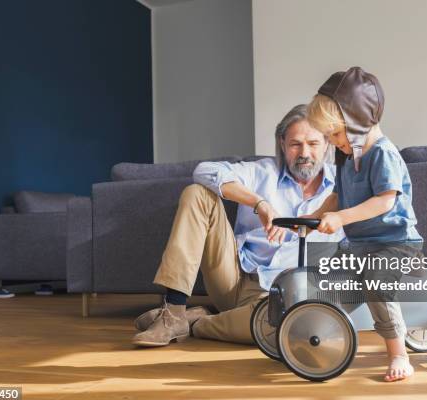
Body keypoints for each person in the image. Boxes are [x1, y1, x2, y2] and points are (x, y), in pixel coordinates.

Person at [132, 104, 344, 347]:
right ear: (282, 144)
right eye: (295, 144)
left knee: (286, 326)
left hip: (284, 296)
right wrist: (259, 203)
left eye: (313, 144)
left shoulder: (343, 187)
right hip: (235, 279)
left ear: (327, 144)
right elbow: (205, 171)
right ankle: (174, 310)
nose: (304, 152)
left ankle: (196, 322)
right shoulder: (261, 171)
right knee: (197, 194)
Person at [306, 67, 424, 382]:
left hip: (395, 243)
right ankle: (321, 332)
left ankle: (399, 353)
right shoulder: (347, 157)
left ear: (358, 121)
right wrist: (314, 215)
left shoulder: (383, 154)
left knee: (376, 280)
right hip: (360, 244)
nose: (333, 142)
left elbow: (385, 201)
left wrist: (342, 218)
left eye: (335, 134)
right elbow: (336, 195)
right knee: (327, 276)